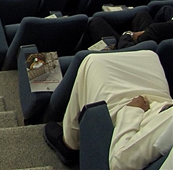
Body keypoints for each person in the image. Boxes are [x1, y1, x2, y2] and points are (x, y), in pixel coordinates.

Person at [43, 51, 173, 168]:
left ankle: (68, 144)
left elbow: (121, 162)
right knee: (149, 55)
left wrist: (132, 110)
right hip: (160, 110)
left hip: (134, 122)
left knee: (90, 60)